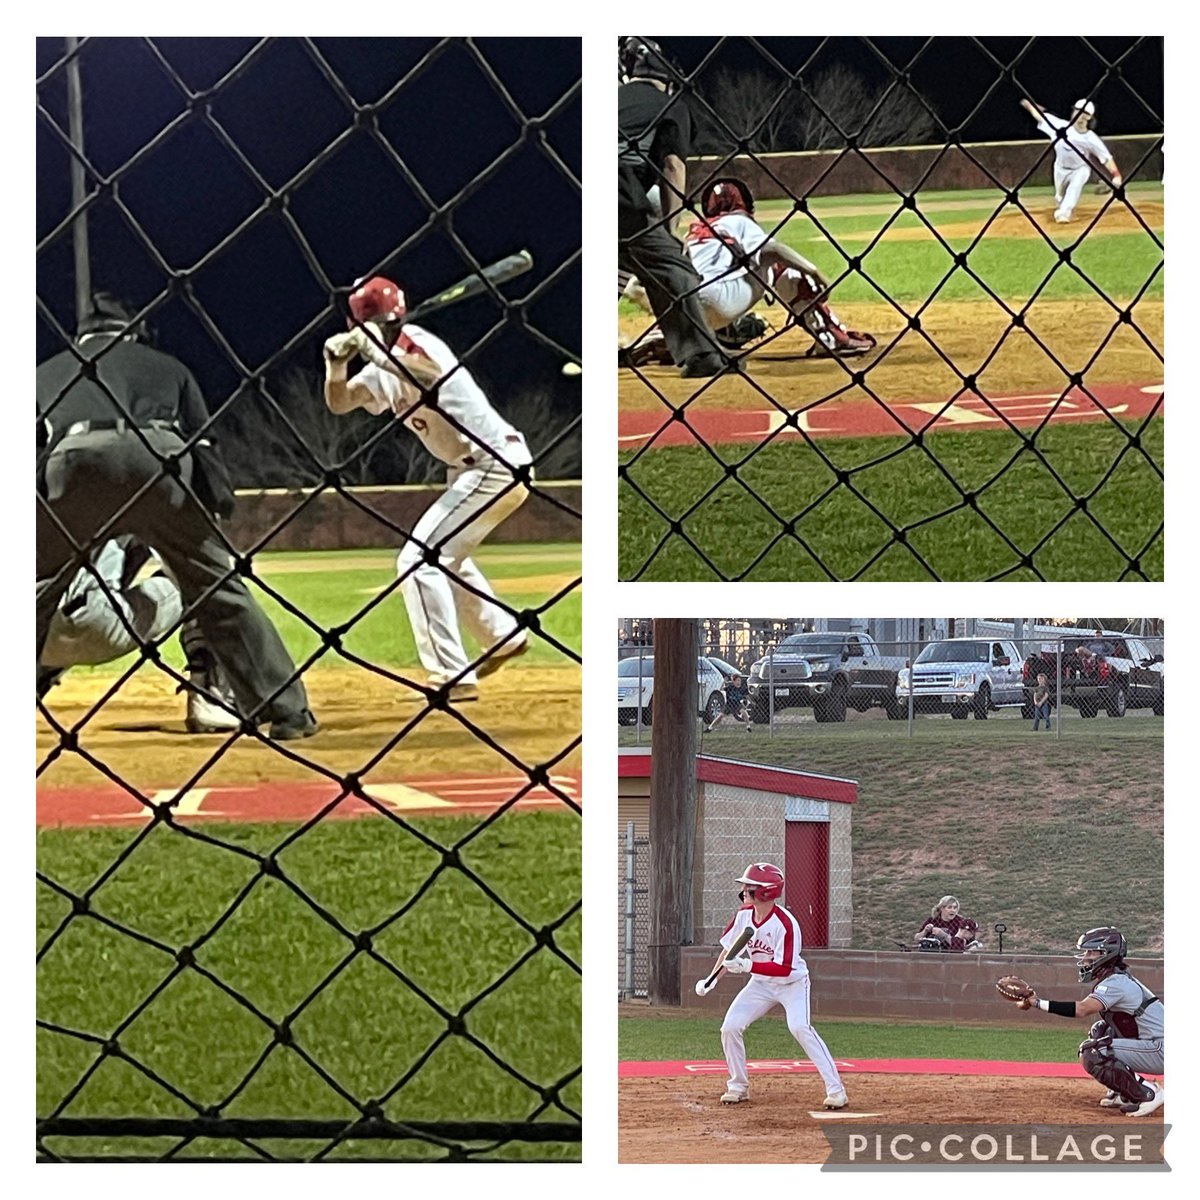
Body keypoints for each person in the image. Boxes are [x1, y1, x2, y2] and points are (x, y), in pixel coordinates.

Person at [36, 294, 316, 739]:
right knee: (215, 587)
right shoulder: (165, 364)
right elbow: (204, 445)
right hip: (160, 460)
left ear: (81, 338)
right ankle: (285, 712)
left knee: (35, 590)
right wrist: (212, 516)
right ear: (129, 332)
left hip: (73, 463)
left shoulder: (46, 370)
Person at [323, 275, 531, 702]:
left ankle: (451, 677)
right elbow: (340, 403)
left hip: (494, 464)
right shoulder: (385, 364)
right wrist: (336, 366)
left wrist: (375, 353)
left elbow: (429, 374)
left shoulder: (418, 344)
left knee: (419, 561)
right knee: (447, 559)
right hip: (471, 470)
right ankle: (503, 636)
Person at [38, 535, 240, 734]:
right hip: (93, 621)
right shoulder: (141, 502)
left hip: (36, 634)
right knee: (213, 570)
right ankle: (212, 696)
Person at [695, 863, 849, 1109]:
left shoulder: (785, 924)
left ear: (766, 892)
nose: (744, 891)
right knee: (730, 1027)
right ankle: (738, 1086)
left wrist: (747, 967)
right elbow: (730, 950)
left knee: (800, 1028)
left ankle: (836, 1090)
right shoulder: (744, 915)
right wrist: (711, 979)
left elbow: (784, 968)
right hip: (761, 984)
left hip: (792, 984)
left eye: (751, 887)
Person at [618, 36, 726, 378]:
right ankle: (703, 355)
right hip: (617, 190)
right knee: (671, 267)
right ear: (667, 80)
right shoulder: (670, 102)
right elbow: (672, 167)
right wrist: (671, 230)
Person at [686, 177, 876, 358]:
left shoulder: (695, 231)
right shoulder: (739, 221)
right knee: (775, 262)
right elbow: (774, 251)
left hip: (686, 312)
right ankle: (830, 336)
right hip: (721, 302)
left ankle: (673, 338)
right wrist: (814, 272)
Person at [999, 927, 1163, 1117]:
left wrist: (1036, 1003)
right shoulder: (1115, 979)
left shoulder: (1117, 983)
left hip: (1161, 1049)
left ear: (1106, 954)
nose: (1086, 957)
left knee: (1092, 1052)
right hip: (1154, 1044)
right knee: (1100, 1030)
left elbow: (1082, 1009)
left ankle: (1148, 1093)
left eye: (1091, 952)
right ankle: (1124, 1093)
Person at [1019, 98, 1122, 223]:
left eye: (1085, 113)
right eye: (1078, 111)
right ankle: (1062, 207)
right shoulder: (1059, 126)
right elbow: (1039, 116)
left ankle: (1064, 214)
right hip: (1060, 169)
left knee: (1075, 187)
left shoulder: (1091, 138)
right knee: (1059, 198)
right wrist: (1029, 105)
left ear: (1089, 117)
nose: (1080, 115)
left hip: (1080, 169)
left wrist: (1116, 176)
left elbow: (1106, 158)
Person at [916, 896, 982, 952]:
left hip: (954, 953)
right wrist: (925, 931)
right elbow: (917, 938)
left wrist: (943, 934)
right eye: (949, 907)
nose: (953, 910)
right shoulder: (933, 920)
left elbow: (965, 944)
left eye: (955, 908)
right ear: (942, 908)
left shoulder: (961, 921)